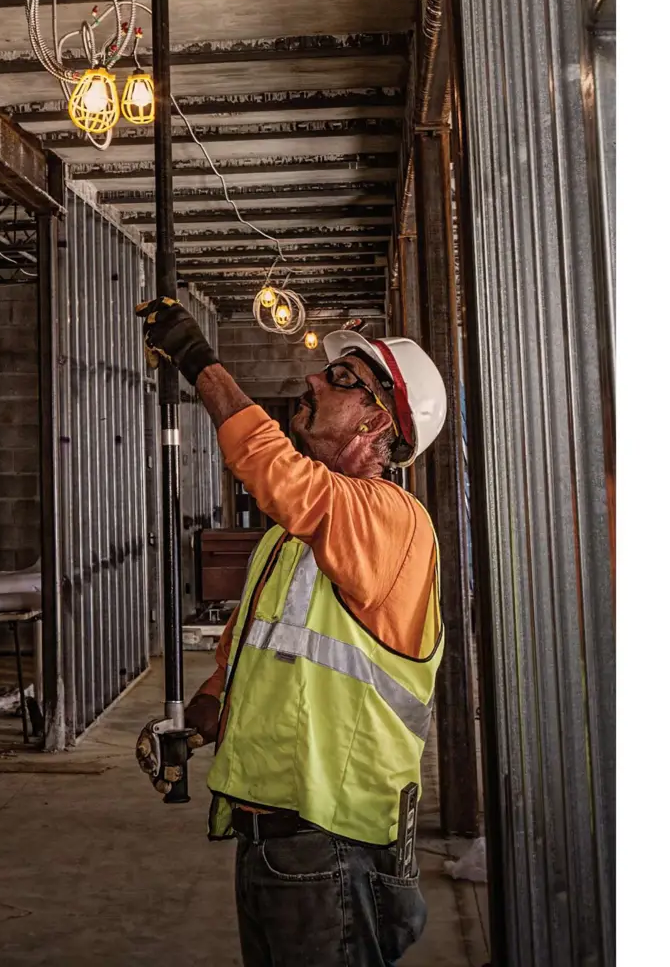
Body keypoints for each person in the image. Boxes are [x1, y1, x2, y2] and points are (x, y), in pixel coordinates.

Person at [134, 297, 450, 967]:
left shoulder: (392, 518)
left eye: (342, 380)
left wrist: (200, 364)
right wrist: (209, 708)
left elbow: (276, 471)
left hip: (334, 840)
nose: (313, 379)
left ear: (377, 419)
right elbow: (266, 647)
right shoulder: (294, 538)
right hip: (278, 837)